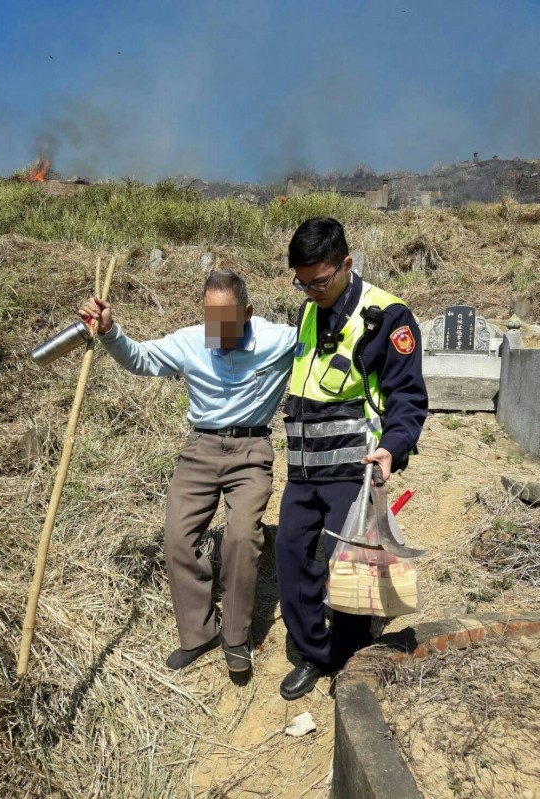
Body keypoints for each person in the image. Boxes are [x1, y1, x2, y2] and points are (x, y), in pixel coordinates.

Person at [79, 271, 296, 674]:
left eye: (226, 321)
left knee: (241, 537)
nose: (217, 330)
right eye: (210, 319)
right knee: (178, 538)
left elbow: (320, 343)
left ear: (247, 312)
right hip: (200, 449)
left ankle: (235, 636)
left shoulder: (278, 340)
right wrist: (110, 332)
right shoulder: (190, 340)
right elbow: (141, 358)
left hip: (251, 449)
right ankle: (200, 632)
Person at [275, 217, 428, 700]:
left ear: (347, 263)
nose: (311, 290)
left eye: (319, 280)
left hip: (354, 468)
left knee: (351, 566)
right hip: (303, 468)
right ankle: (315, 654)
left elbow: (408, 397)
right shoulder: (308, 308)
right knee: (292, 557)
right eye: (303, 281)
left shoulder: (387, 316)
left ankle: (350, 661)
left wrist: (393, 448)